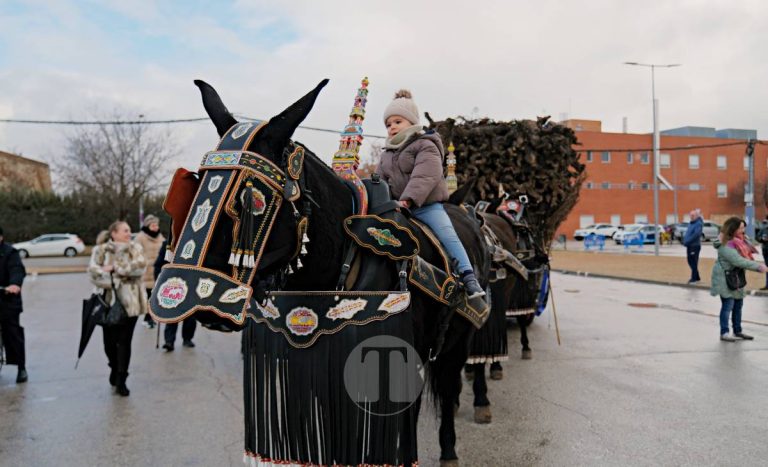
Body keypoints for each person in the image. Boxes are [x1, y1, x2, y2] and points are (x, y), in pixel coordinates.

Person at [376, 89, 484, 298]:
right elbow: (379, 181)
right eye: (388, 124)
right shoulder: (387, 155)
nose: (392, 128)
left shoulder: (426, 144)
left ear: (411, 122)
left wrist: (408, 200)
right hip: (397, 208)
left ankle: (468, 276)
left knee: (447, 233)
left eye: (397, 121)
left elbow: (425, 175)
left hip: (425, 206)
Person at [88, 221, 148, 396]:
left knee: (124, 341)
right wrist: (116, 279)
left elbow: (140, 268)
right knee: (108, 343)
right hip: (107, 303)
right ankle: (114, 367)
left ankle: (122, 378)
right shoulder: (100, 250)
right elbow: (93, 273)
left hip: (131, 303)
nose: (129, 233)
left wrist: (115, 268)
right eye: (125, 231)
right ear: (113, 233)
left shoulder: (135, 248)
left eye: (129, 230)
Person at [711, 217, 767, 342]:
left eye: (744, 227)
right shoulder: (725, 244)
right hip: (725, 278)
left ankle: (738, 330)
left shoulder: (740, 240)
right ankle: (724, 332)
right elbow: (738, 261)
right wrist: (759, 267)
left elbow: (749, 249)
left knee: (738, 305)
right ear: (733, 229)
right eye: (741, 228)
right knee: (728, 305)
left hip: (736, 277)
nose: (743, 230)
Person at [154, 239, 196, 351]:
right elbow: (159, 264)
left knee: (190, 314)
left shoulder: (195, 240)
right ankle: (169, 341)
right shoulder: (168, 243)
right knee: (171, 312)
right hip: (173, 282)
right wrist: (158, 280)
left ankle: (187, 338)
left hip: (191, 282)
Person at [0, 226, 28, 383]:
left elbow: (17, 270)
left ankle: (21, 367)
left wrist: (14, 285)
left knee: (12, 332)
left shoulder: (10, 253)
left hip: (6, 298)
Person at [135, 214, 165, 329]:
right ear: (147, 226)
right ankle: (147, 318)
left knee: (155, 296)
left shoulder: (160, 237)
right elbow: (136, 253)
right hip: (146, 272)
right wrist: (144, 263)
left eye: (156, 224)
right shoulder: (140, 237)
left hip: (158, 271)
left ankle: (151, 317)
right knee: (148, 296)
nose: (155, 227)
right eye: (153, 225)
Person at [683, 209, 703, 283]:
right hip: (689, 245)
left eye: (693, 215)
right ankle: (697, 277)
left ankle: (694, 278)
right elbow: (688, 233)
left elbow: (696, 235)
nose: (691, 217)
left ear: (697, 216)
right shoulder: (691, 223)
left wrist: (687, 241)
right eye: (690, 215)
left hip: (694, 246)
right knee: (689, 261)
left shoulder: (698, 224)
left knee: (693, 262)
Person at [756, 214, 768, 290]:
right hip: (766, 251)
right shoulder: (764, 229)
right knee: (767, 268)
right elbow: (757, 237)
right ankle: (767, 285)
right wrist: (762, 239)